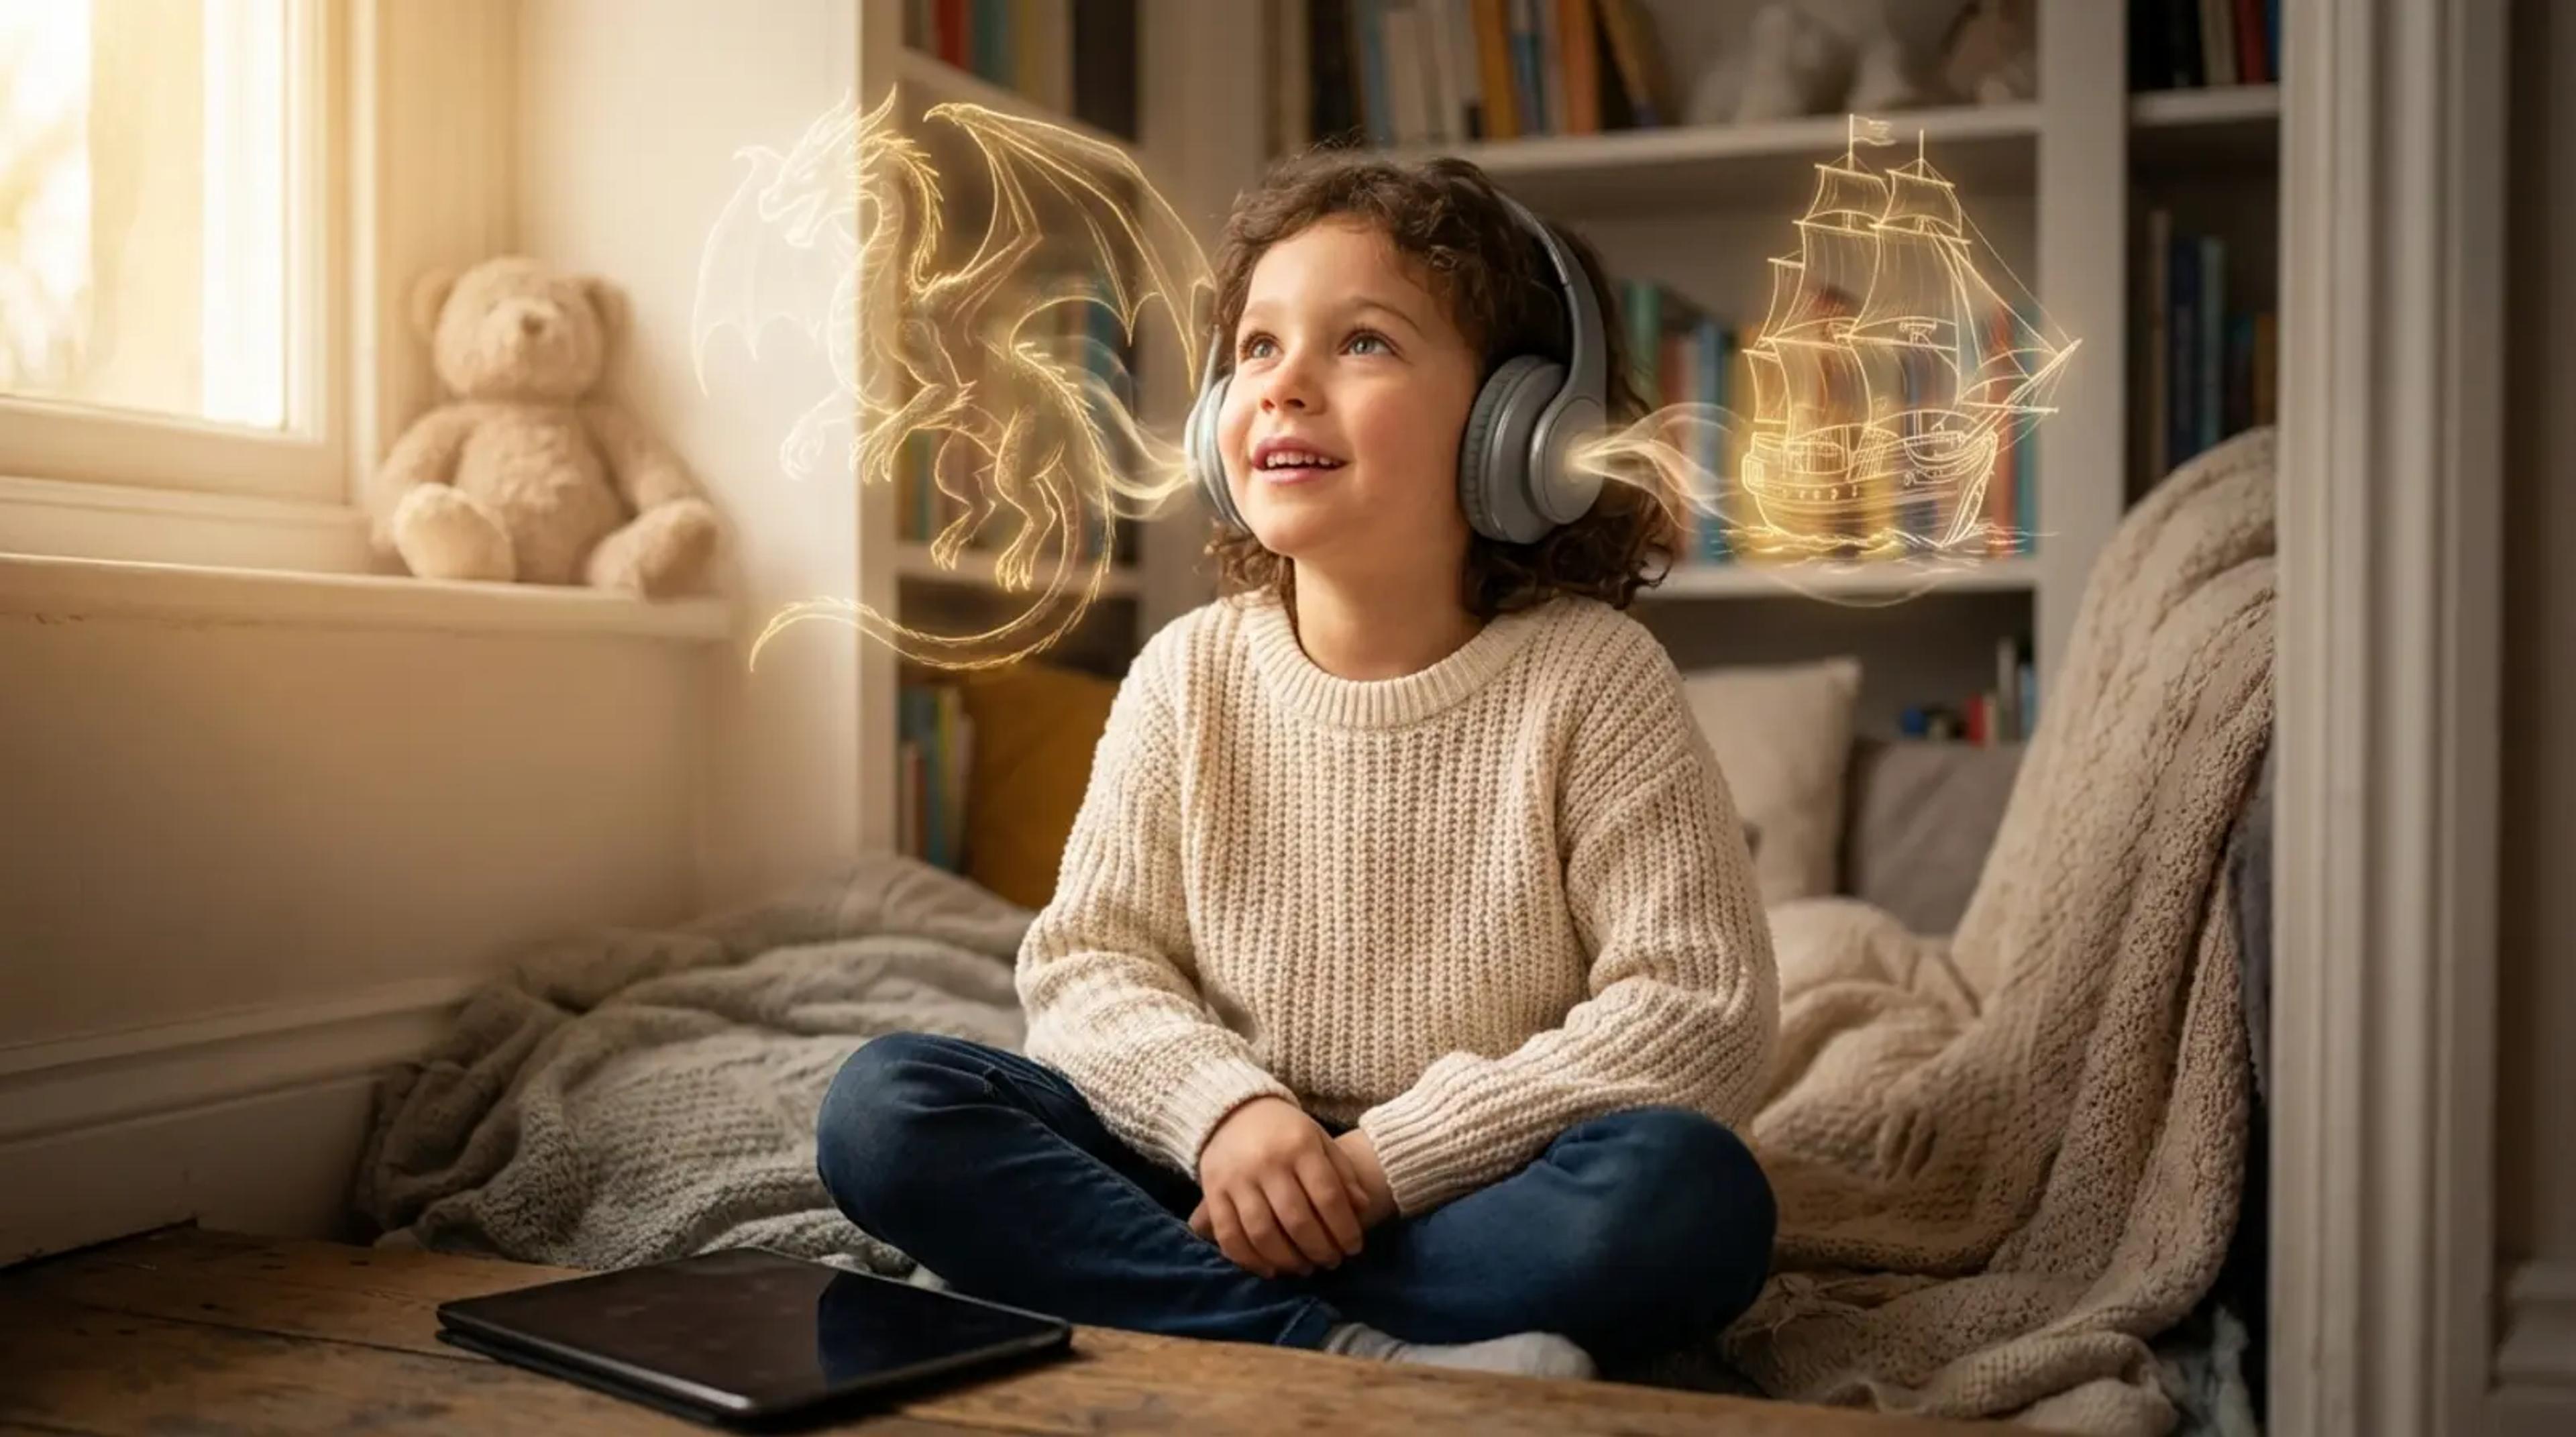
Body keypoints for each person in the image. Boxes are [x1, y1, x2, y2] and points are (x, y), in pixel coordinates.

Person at [817, 150, 1778, 1382]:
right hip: (1214, 1169)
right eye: (1258, 346)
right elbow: (1090, 964)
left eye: (1363, 342)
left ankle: (1197, 1306)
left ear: (1521, 428)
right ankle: (1341, 1344)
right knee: (888, 1107)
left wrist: (1378, 1166)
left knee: (1692, 1193)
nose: (1283, 385)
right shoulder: (1187, 673)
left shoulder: (1598, 679)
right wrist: (1230, 1115)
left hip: (1472, 1183)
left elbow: (1697, 1009)